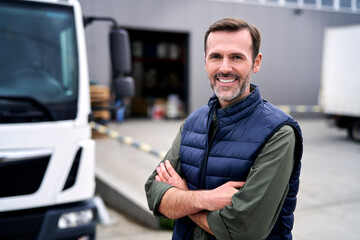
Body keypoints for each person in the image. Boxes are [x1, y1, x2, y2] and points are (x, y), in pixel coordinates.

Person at [145, 17, 303, 240]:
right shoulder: (192, 123)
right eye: (216, 57)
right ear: (205, 62)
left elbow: (243, 230)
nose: (224, 68)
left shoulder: (279, 133)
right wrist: (206, 199)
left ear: (256, 63)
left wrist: (182, 197)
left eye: (236, 57)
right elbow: (154, 194)